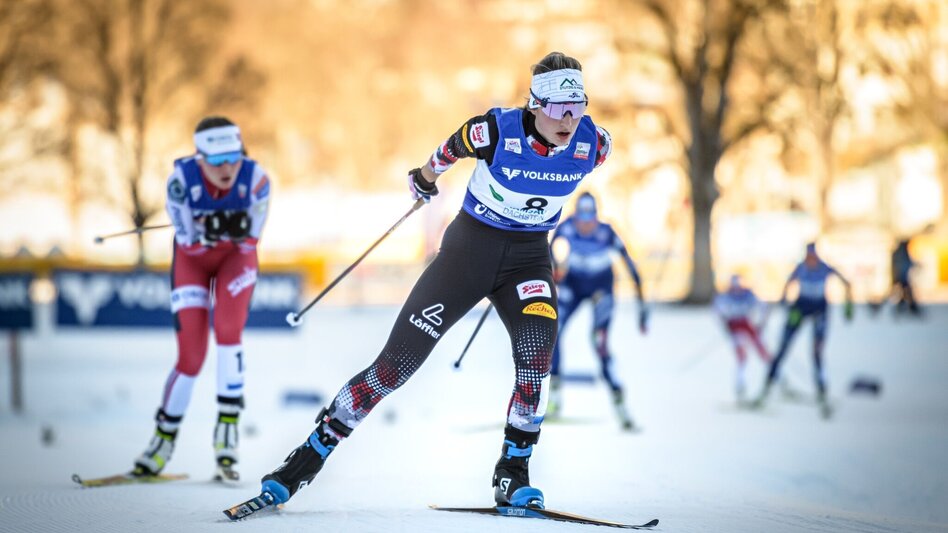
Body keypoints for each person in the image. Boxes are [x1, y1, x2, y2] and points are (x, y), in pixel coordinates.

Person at [254, 52, 611, 511]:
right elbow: (448, 150)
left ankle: (512, 474)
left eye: (578, 106)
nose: (569, 118)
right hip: (468, 255)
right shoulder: (496, 130)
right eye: (559, 107)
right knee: (393, 369)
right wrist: (424, 180)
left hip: (528, 263)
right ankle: (305, 460)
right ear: (534, 104)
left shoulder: (595, 143)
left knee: (535, 362)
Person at [132, 116, 271, 482]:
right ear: (200, 158)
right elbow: (190, 244)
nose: (226, 168)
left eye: (233, 158)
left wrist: (222, 228)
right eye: (216, 160)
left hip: (234, 262)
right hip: (191, 264)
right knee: (191, 355)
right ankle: (162, 439)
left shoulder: (256, 180)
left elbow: (249, 242)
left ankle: (227, 431)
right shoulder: (181, 182)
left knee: (228, 332)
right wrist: (218, 227)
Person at [546, 192, 647, 430]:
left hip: (602, 289)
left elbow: (630, 265)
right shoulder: (567, 226)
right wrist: (555, 267)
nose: (585, 223)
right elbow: (548, 246)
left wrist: (642, 307)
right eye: (581, 216)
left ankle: (620, 401)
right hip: (573, 284)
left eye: (590, 216)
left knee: (599, 343)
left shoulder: (606, 232)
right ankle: (555, 398)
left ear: (596, 215)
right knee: (553, 330)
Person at [751, 243, 852, 419]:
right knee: (783, 347)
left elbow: (846, 283)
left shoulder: (824, 268)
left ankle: (822, 391)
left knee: (817, 352)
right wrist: (783, 300)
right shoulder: (801, 268)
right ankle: (766, 387)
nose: (810, 260)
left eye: (812, 257)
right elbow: (788, 283)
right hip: (800, 307)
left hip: (819, 309)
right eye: (808, 257)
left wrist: (848, 306)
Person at [713, 274, 771, 403]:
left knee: (763, 351)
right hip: (734, 326)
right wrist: (724, 324)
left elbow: (764, 306)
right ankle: (740, 385)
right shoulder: (725, 297)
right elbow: (717, 310)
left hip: (747, 325)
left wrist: (761, 323)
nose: (736, 290)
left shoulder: (748, 295)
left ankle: (775, 379)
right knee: (741, 356)